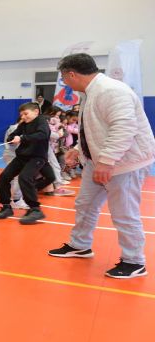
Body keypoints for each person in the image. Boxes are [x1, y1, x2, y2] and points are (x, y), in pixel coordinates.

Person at [48, 53, 155, 278]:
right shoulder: (89, 92)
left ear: (72, 74)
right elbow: (92, 127)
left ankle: (134, 261)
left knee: (124, 212)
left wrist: (106, 162)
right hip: (97, 162)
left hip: (123, 163)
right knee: (85, 204)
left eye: (63, 78)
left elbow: (124, 128)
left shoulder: (112, 91)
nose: (64, 82)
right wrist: (78, 150)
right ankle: (80, 245)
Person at [0, 103, 55, 224]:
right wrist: (12, 139)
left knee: (25, 177)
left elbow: (42, 135)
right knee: (4, 177)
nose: (23, 117)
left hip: (37, 157)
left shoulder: (41, 121)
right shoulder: (24, 124)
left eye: (26, 114)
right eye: (21, 115)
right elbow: (12, 135)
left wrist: (22, 138)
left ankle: (35, 209)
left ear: (36, 112)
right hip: (22, 157)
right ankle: (6, 206)